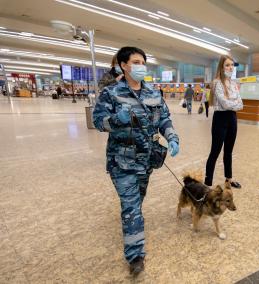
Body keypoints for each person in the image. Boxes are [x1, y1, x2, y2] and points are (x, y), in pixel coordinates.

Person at [92, 46, 179, 275]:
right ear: (123, 65)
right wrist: (116, 120)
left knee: (137, 202)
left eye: (143, 62)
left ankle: (133, 226)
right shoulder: (111, 93)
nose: (140, 66)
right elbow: (99, 122)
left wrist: (171, 137)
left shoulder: (153, 93)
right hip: (122, 162)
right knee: (131, 207)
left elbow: (165, 118)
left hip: (146, 159)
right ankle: (135, 256)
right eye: (136, 62)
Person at [205, 55, 243, 188]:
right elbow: (225, 104)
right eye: (227, 65)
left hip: (232, 119)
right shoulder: (216, 82)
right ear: (221, 67)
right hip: (220, 119)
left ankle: (229, 178)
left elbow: (241, 103)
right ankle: (207, 183)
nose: (230, 67)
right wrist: (234, 103)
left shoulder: (233, 83)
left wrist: (232, 104)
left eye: (232, 65)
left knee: (229, 151)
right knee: (215, 152)